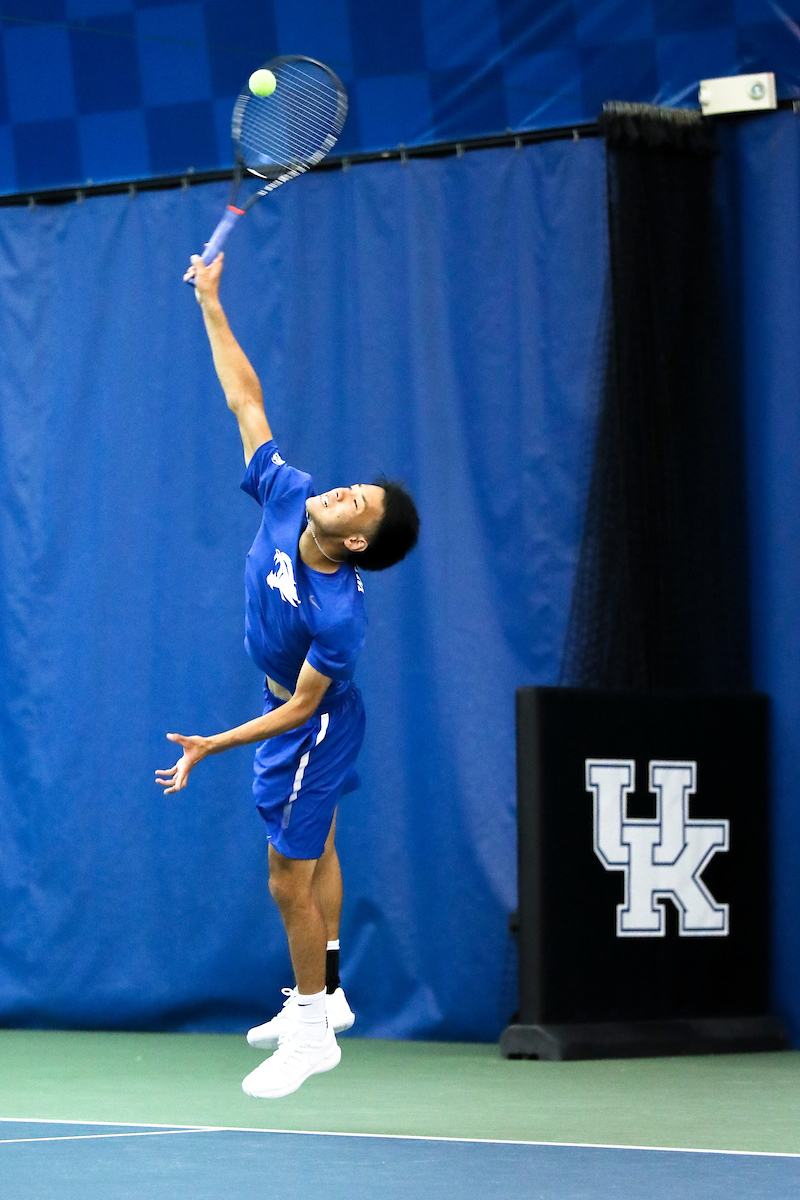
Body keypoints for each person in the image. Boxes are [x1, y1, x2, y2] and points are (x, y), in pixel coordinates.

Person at [156, 251, 419, 1100]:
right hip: (298, 715)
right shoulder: (286, 494)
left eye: (357, 504)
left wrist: (212, 744)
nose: (343, 492)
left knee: (286, 876)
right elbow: (246, 398)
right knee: (321, 845)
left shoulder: (338, 614)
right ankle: (328, 993)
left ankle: (310, 1034)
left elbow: (302, 710)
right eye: (353, 487)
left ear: (356, 543)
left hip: (310, 725)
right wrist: (211, 300)